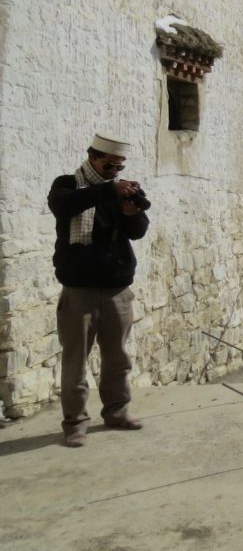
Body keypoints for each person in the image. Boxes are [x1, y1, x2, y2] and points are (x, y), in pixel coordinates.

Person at [47, 133, 150, 447]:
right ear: (93, 157)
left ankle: (117, 412)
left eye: (119, 166)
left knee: (118, 357)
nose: (114, 170)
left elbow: (138, 231)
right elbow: (64, 207)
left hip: (117, 289)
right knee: (75, 360)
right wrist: (109, 190)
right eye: (109, 164)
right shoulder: (67, 185)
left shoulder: (119, 191)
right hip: (78, 291)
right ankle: (75, 423)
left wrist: (133, 214)